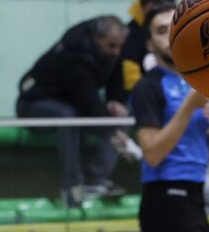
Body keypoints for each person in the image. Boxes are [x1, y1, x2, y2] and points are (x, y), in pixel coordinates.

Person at [133, 4, 209, 232]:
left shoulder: (195, 85)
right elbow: (152, 154)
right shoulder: (149, 87)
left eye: (175, 27)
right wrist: (188, 108)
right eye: (162, 31)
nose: (171, 36)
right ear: (150, 44)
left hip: (195, 195)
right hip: (166, 198)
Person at [16, 16, 128, 203]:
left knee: (120, 117)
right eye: (111, 46)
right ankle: (72, 186)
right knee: (68, 119)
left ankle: (95, 180)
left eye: (119, 47)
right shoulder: (75, 55)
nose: (116, 52)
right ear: (97, 39)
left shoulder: (111, 51)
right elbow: (88, 102)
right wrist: (114, 134)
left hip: (72, 104)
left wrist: (115, 101)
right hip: (34, 104)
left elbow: (115, 79)